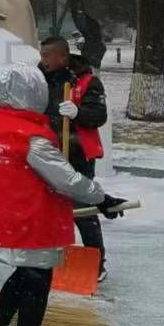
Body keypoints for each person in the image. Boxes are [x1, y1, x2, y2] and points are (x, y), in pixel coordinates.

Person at [0, 62, 127, 326]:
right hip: (29, 222)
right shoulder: (30, 137)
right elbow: (67, 180)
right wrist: (102, 199)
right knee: (36, 282)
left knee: (24, 275)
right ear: (32, 93)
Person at [39, 35, 111, 277]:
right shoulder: (39, 80)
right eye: (41, 56)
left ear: (62, 56)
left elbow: (99, 115)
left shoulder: (87, 81)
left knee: (83, 209)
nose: (43, 60)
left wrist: (78, 113)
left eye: (47, 56)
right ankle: (48, 258)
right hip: (47, 155)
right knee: (47, 209)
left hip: (78, 155)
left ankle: (96, 263)